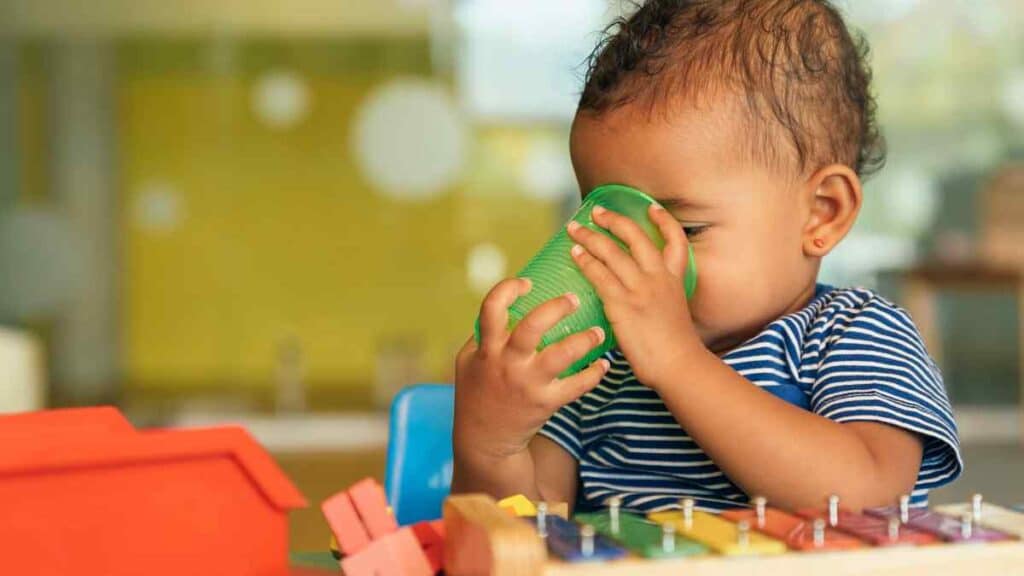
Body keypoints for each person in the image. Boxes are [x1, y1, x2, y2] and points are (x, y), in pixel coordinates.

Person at [451, 0, 961, 514]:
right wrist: (491, 445)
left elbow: (867, 496)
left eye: (686, 228)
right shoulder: (597, 369)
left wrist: (677, 362)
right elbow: (522, 538)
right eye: (612, 228)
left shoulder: (856, 335)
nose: (642, 264)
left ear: (821, 214)